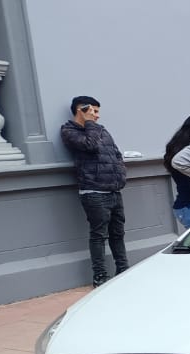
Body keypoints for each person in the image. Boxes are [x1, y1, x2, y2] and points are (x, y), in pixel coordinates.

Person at [60, 95, 128, 287]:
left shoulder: (101, 130)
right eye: (93, 111)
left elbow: (115, 153)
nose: (97, 116)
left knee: (118, 234)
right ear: (81, 110)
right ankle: (100, 277)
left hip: (114, 191)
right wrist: (89, 123)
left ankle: (123, 270)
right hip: (94, 192)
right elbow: (90, 145)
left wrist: (121, 173)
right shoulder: (68, 131)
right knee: (99, 235)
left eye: (97, 112)